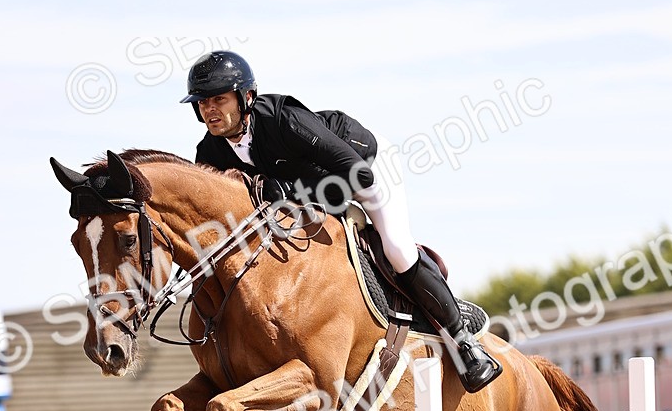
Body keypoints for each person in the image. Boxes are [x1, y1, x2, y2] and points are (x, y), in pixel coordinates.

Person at [181, 50, 502, 393]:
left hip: (365, 166)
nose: (210, 109)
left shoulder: (283, 119)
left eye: (219, 99)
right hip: (311, 197)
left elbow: (358, 175)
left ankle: (466, 344)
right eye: (203, 103)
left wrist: (290, 191)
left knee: (396, 248)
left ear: (246, 97)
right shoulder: (209, 154)